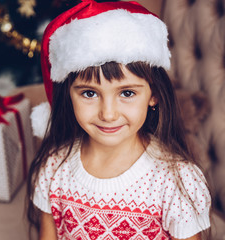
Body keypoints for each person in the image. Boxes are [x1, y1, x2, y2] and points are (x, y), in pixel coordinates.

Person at [27, 0, 211, 239]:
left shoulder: (176, 180)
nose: (108, 114)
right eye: (89, 93)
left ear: (153, 94)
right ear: (68, 95)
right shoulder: (54, 167)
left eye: (127, 93)